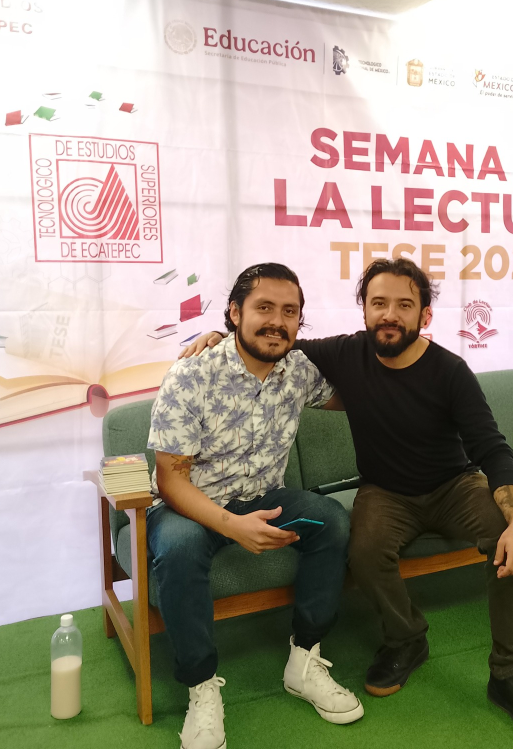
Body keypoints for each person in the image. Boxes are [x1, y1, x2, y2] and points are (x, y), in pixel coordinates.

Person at [184, 258, 513, 743]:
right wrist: (219, 338)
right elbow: (271, 339)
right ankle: (406, 639)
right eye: (378, 302)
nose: (390, 314)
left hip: (455, 485)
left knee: (507, 541)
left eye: (404, 305)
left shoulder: (450, 371)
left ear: (425, 315)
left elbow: (491, 447)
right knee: (362, 549)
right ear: (363, 310)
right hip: (385, 491)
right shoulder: (345, 353)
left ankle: (509, 673)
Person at [148, 263, 364, 749]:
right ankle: (201, 687)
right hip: (190, 506)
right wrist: (232, 525)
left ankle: (304, 661)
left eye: (289, 312)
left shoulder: (299, 372)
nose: (277, 322)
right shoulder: (192, 374)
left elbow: (357, 393)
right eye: (264, 307)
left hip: (265, 497)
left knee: (330, 521)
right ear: (234, 312)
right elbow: (170, 480)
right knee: (178, 549)